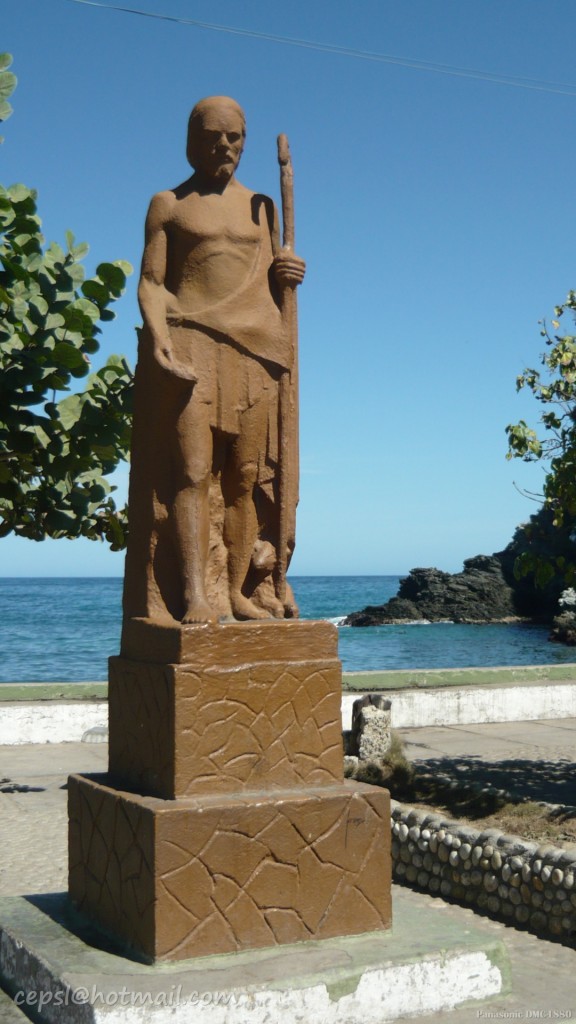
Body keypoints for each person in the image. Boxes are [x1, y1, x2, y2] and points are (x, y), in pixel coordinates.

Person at [123, 96, 305, 624]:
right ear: (191, 139)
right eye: (212, 135)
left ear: (245, 140)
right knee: (194, 473)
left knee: (245, 478)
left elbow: (275, 281)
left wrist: (289, 269)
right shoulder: (169, 204)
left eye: (234, 137)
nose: (223, 145)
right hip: (192, 342)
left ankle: (237, 592)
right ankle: (195, 595)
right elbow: (152, 283)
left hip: (255, 348)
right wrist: (158, 335)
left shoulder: (262, 208)